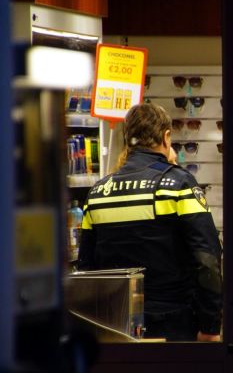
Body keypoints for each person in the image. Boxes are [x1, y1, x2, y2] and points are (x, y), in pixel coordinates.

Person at [77, 102, 222, 342]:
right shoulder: (179, 184)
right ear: (166, 137)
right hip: (173, 326)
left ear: (127, 139)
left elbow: (86, 269)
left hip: (116, 327)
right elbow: (207, 259)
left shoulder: (97, 193)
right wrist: (210, 325)